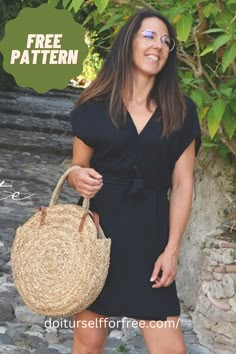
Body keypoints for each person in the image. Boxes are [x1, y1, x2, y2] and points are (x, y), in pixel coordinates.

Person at [67, 8, 201, 354]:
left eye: (166, 40)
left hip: (151, 238)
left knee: (171, 348)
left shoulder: (181, 112)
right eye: (150, 36)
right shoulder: (94, 107)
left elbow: (184, 184)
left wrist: (172, 250)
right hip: (99, 237)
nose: (159, 45)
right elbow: (75, 169)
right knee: (89, 341)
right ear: (129, 42)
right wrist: (79, 177)